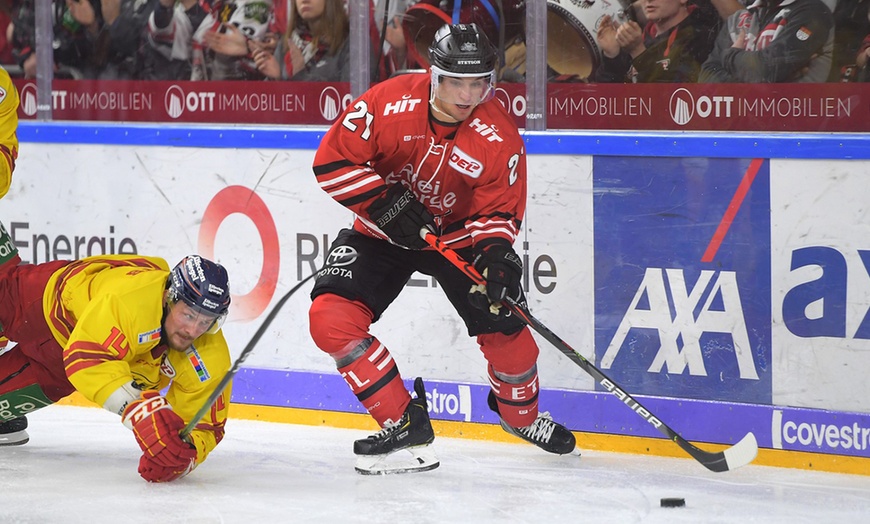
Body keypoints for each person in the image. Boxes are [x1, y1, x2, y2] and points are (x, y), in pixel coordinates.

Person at [308, 22, 577, 475]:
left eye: (479, 84)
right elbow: (332, 161)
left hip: (458, 240)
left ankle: (521, 418)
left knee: (511, 337)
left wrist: (497, 257)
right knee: (330, 318)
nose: (469, 95)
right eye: (457, 82)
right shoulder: (387, 101)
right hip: (381, 234)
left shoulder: (499, 136)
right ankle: (403, 421)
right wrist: (383, 204)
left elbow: (498, 211)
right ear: (434, 74)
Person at [0, 252, 233, 483]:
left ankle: (6, 420)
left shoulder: (208, 350)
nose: (193, 331)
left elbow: (207, 425)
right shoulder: (132, 300)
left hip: (57, 367)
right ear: (168, 297)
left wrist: (182, 456)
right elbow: (86, 358)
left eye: (206, 321)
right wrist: (140, 412)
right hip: (41, 301)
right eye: (188, 315)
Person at [699, 0, 834, 83]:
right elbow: (707, 76)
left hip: (794, 122)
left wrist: (730, 57)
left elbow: (766, 71)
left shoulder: (812, 13)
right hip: (744, 122)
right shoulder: (739, 18)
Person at [594, 0, 723, 83]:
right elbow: (606, 101)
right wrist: (612, 56)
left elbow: (676, 99)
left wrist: (638, 52)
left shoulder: (702, 35)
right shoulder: (639, 35)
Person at [252, 0, 349, 81]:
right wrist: (277, 79)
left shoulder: (349, 41)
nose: (304, 1)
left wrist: (300, 74)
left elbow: (350, 98)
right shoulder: (287, 43)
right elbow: (272, 101)